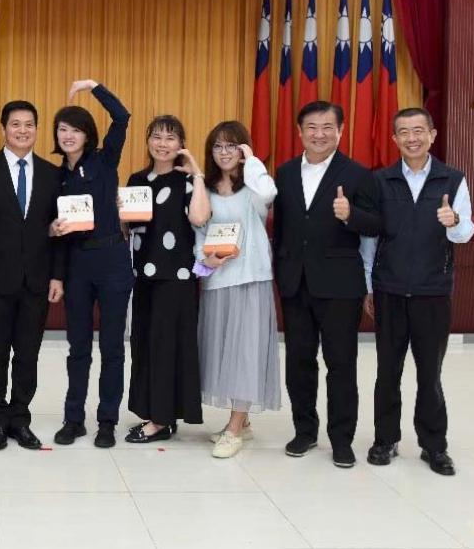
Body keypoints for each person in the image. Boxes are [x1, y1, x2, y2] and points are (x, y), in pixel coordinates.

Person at [349, 108, 474, 476]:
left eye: (419, 131)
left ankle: (434, 445)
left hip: (432, 291)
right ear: (394, 139)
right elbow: (370, 239)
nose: (412, 138)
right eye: (403, 132)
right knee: (387, 372)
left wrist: (453, 221)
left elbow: (465, 233)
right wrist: (369, 286)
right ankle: (385, 440)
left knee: (429, 373)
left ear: (432, 135)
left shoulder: (452, 179)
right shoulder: (381, 180)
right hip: (388, 290)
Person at [273, 100, 378, 468]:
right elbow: (282, 228)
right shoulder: (285, 173)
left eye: (327, 127)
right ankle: (305, 431)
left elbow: (376, 225)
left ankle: (341, 439)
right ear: (300, 132)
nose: (319, 134)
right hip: (294, 283)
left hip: (340, 286)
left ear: (341, 131)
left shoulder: (359, 174)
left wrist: (352, 216)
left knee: (341, 364)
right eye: (312, 127)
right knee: (299, 362)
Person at [0, 100, 64, 451]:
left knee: (28, 354)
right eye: (15, 124)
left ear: (37, 129)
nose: (23, 130)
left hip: (37, 281)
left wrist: (57, 276)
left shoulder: (52, 174)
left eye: (29, 124)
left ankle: (20, 418)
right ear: (4, 128)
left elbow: (59, 231)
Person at [51, 79, 134, 449]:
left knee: (112, 346)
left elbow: (122, 116)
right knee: (78, 347)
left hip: (113, 259)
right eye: (62, 129)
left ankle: (107, 421)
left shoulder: (105, 159)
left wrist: (93, 86)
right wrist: (52, 230)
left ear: (87, 135)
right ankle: (74, 419)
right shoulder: (56, 176)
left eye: (75, 129)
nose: (68, 135)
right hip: (77, 265)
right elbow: (51, 230)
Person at [194, 122, 281, 459]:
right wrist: (205, 262)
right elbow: (199, 231)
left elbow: (269, 193)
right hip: (218, 281)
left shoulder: (253, 189)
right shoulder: (207, 189)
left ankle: (234, 429)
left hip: (250, 280)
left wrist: (252, 160)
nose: (224, 152)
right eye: (218, 146)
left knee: (245, 353)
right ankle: (241, 422)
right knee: (223, 354)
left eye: (232, 145)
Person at [124, 116, 210, 444]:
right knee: (145, 345)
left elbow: (200, 217)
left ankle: (160, 420)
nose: (162, 144)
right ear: (148, 141)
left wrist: (197, 173)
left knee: (167, 347)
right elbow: (130, 229)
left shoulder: (187, 181)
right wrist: (121, 214)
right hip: (144, 277)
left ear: (181, 144)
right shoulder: (137, 179)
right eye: (157, 137)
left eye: (170, 138)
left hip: (177, 278)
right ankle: (156, 413)